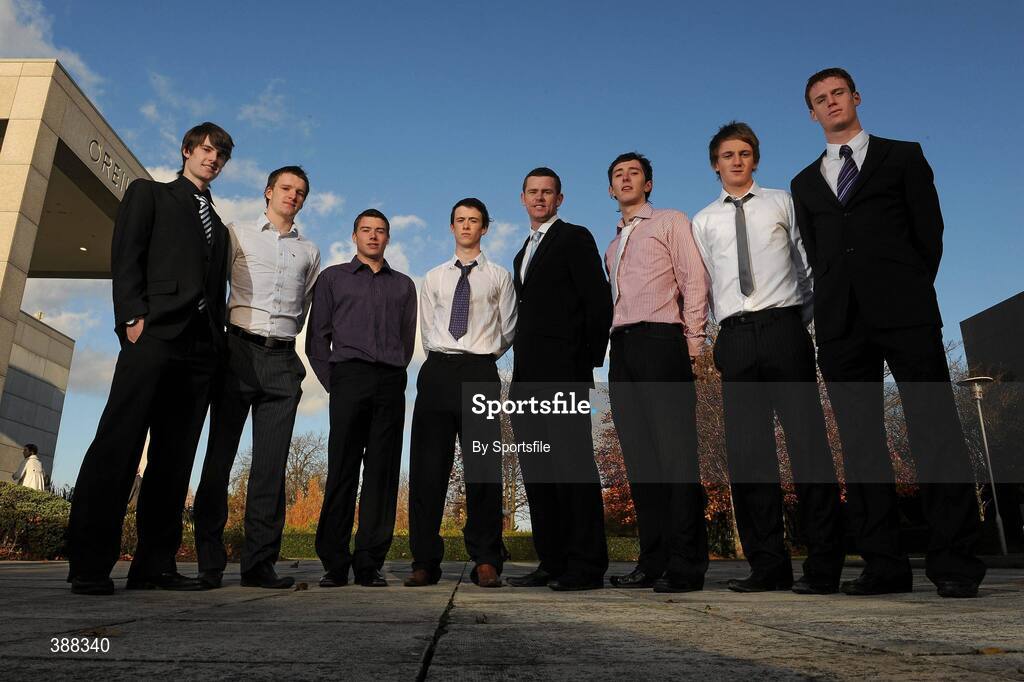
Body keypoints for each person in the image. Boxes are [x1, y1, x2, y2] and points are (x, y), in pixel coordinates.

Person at [791, 67, 985, 598]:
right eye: (819, 99)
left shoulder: (903, 156)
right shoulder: (804, 183)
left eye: (837, 94)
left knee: (935, 430)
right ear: (811, 113)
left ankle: (955, 562)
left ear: (855, 97)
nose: (830, 103)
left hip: (906, 312)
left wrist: (907, 285)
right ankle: (884, 564)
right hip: (840, 325)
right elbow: (816, 253)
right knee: (860, 444)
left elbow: (930, 234)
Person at [66, 122, 233, 595]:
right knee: (118, 445)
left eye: (220, 156)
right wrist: (131, 319)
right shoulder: (150, 195)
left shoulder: (219, 229)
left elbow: (215, 288)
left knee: (174, 460)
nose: (212, 159)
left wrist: (215, 345)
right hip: (154, 335)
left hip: (200, 350)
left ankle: (154, 565)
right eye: (205, 150)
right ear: (186, 151)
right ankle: (89, 564)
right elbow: (127, 257)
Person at [691, 123, 845, 594]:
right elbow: (708, 282)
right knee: (749, 457)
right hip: (735, 338)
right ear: (715, 164)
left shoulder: (783, 202)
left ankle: (823, 566)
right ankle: (768, 565)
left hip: (784, 330)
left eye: (744, 153)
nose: (736, 161)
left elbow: (806, 265)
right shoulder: (703, 221)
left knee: (809, 449)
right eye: (727, 155)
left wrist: (800, 322)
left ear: (754, 160)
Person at [193, 166, 321, 590]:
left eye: (300, 192)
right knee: (220, 458)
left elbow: (304, 304)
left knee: (270, 468)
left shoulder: (310, 251)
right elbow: (214, 288)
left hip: (283, 360)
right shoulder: (238, 233)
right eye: (286, 188)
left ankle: (259, 565)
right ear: (269, 192)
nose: (293, 196)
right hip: (238, 351)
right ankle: (209, 563)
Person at [604, 152, 710, 593]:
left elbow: (694, 279)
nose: (625, 180)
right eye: (617, 176)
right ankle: (653, 561)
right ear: (611, 189)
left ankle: (687, 565)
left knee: (675, 457)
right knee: (641, 462)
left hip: (662, 342)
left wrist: (693, 343)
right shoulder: (611, 246)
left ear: (648, 184)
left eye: (633, 174)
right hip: (622, 349)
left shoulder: (670, 221)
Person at [507, 167, 612, 591]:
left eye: (547, 193)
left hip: (564, 373)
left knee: (572, 467)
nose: (539, 198)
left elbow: (598, 300)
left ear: (559, 199)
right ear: (523, 198)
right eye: (532, 192)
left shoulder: (575, 237)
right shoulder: (521, 253)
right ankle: (551, 561)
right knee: (538, 469)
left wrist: (584, 364)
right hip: (526, 376)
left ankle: (586, 565)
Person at [405, 198, 516, 589]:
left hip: (479, 370)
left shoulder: (500, 276)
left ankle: (486, 558)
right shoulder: (433, 277)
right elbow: (426, 328)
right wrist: (445, 356)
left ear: (485, 228)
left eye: (474, 221)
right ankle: (424, 561)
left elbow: (508, 329)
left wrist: (480, 356)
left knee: (483, 469)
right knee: (427, 470)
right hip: (437, 371)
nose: (467, 226)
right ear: (451, 227)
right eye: (460, 220)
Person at [306, 209, 416, 588]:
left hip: (389, 380)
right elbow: (316, 339)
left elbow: (406, 339)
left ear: (388, 238)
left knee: (382, 474)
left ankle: (369, 562)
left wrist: (396, 374)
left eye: (380, 231)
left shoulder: (403, 285)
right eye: (366, 230)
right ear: (354, 236)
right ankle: (335, 562)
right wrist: (335, 385)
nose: (373, 236)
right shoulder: (333, 278)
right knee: (342, 469)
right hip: (348, 378)